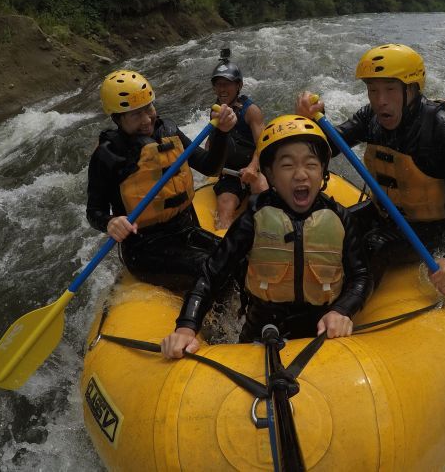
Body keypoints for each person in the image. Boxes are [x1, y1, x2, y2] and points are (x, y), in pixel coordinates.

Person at [160, 115, 372, 358]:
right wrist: (186, 327)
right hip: (262, 333)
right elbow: (211, 274)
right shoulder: (253, 218)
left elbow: (361, 276)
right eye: (287, 165)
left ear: (323, 170)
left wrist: (342, 310)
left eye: (311, 164)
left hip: (322, 334)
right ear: (269, 174)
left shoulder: (341, 218)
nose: (301, 175)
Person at [295, 44, 445, 298]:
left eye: (390, 90)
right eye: (373, 90)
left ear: (412, 90)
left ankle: (344, 309)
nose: (380, 100)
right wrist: (311, 122)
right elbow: (330, 146)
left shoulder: (441, 129)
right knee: (329, 224)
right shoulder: (370, 117)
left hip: (428, 229)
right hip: (385, 213)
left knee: (375, 245)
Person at [86, 69, 238, 290]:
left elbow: (210, 167)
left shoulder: (168, 130)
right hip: (145, 248)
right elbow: (93, 211)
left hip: (186, 230)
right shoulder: (108, 155)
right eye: (136, 115)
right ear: (117, 118)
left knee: (236, 256)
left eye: (149, 108)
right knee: (209, 269)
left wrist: (222, 133)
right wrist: (110, 222)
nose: (147, 119)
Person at [208, 48, 268, 229]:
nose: (222, 89)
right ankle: (228, 248)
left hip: (253, 169)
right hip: (230, 172)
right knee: (225, 209)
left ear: (239, 86)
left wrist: (252, 167)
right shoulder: (215, 111)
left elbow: (263, 145)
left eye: (227, 84)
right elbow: (212, 141)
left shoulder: (251, 111)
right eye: (218, 84)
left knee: (262, 191)